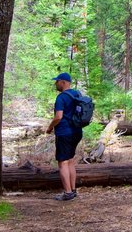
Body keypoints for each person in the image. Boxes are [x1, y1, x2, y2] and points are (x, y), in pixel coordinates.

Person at [46, 72, 83, 201]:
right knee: (70, 160)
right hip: (77, 132)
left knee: (63, 162)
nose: (55, 84)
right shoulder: (77, 94)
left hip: (64, 133)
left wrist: (50, 127)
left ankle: (67, 193)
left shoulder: (61, 98)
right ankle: (72, 190)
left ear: (63, 82)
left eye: (57, 81)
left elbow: (58, 117)